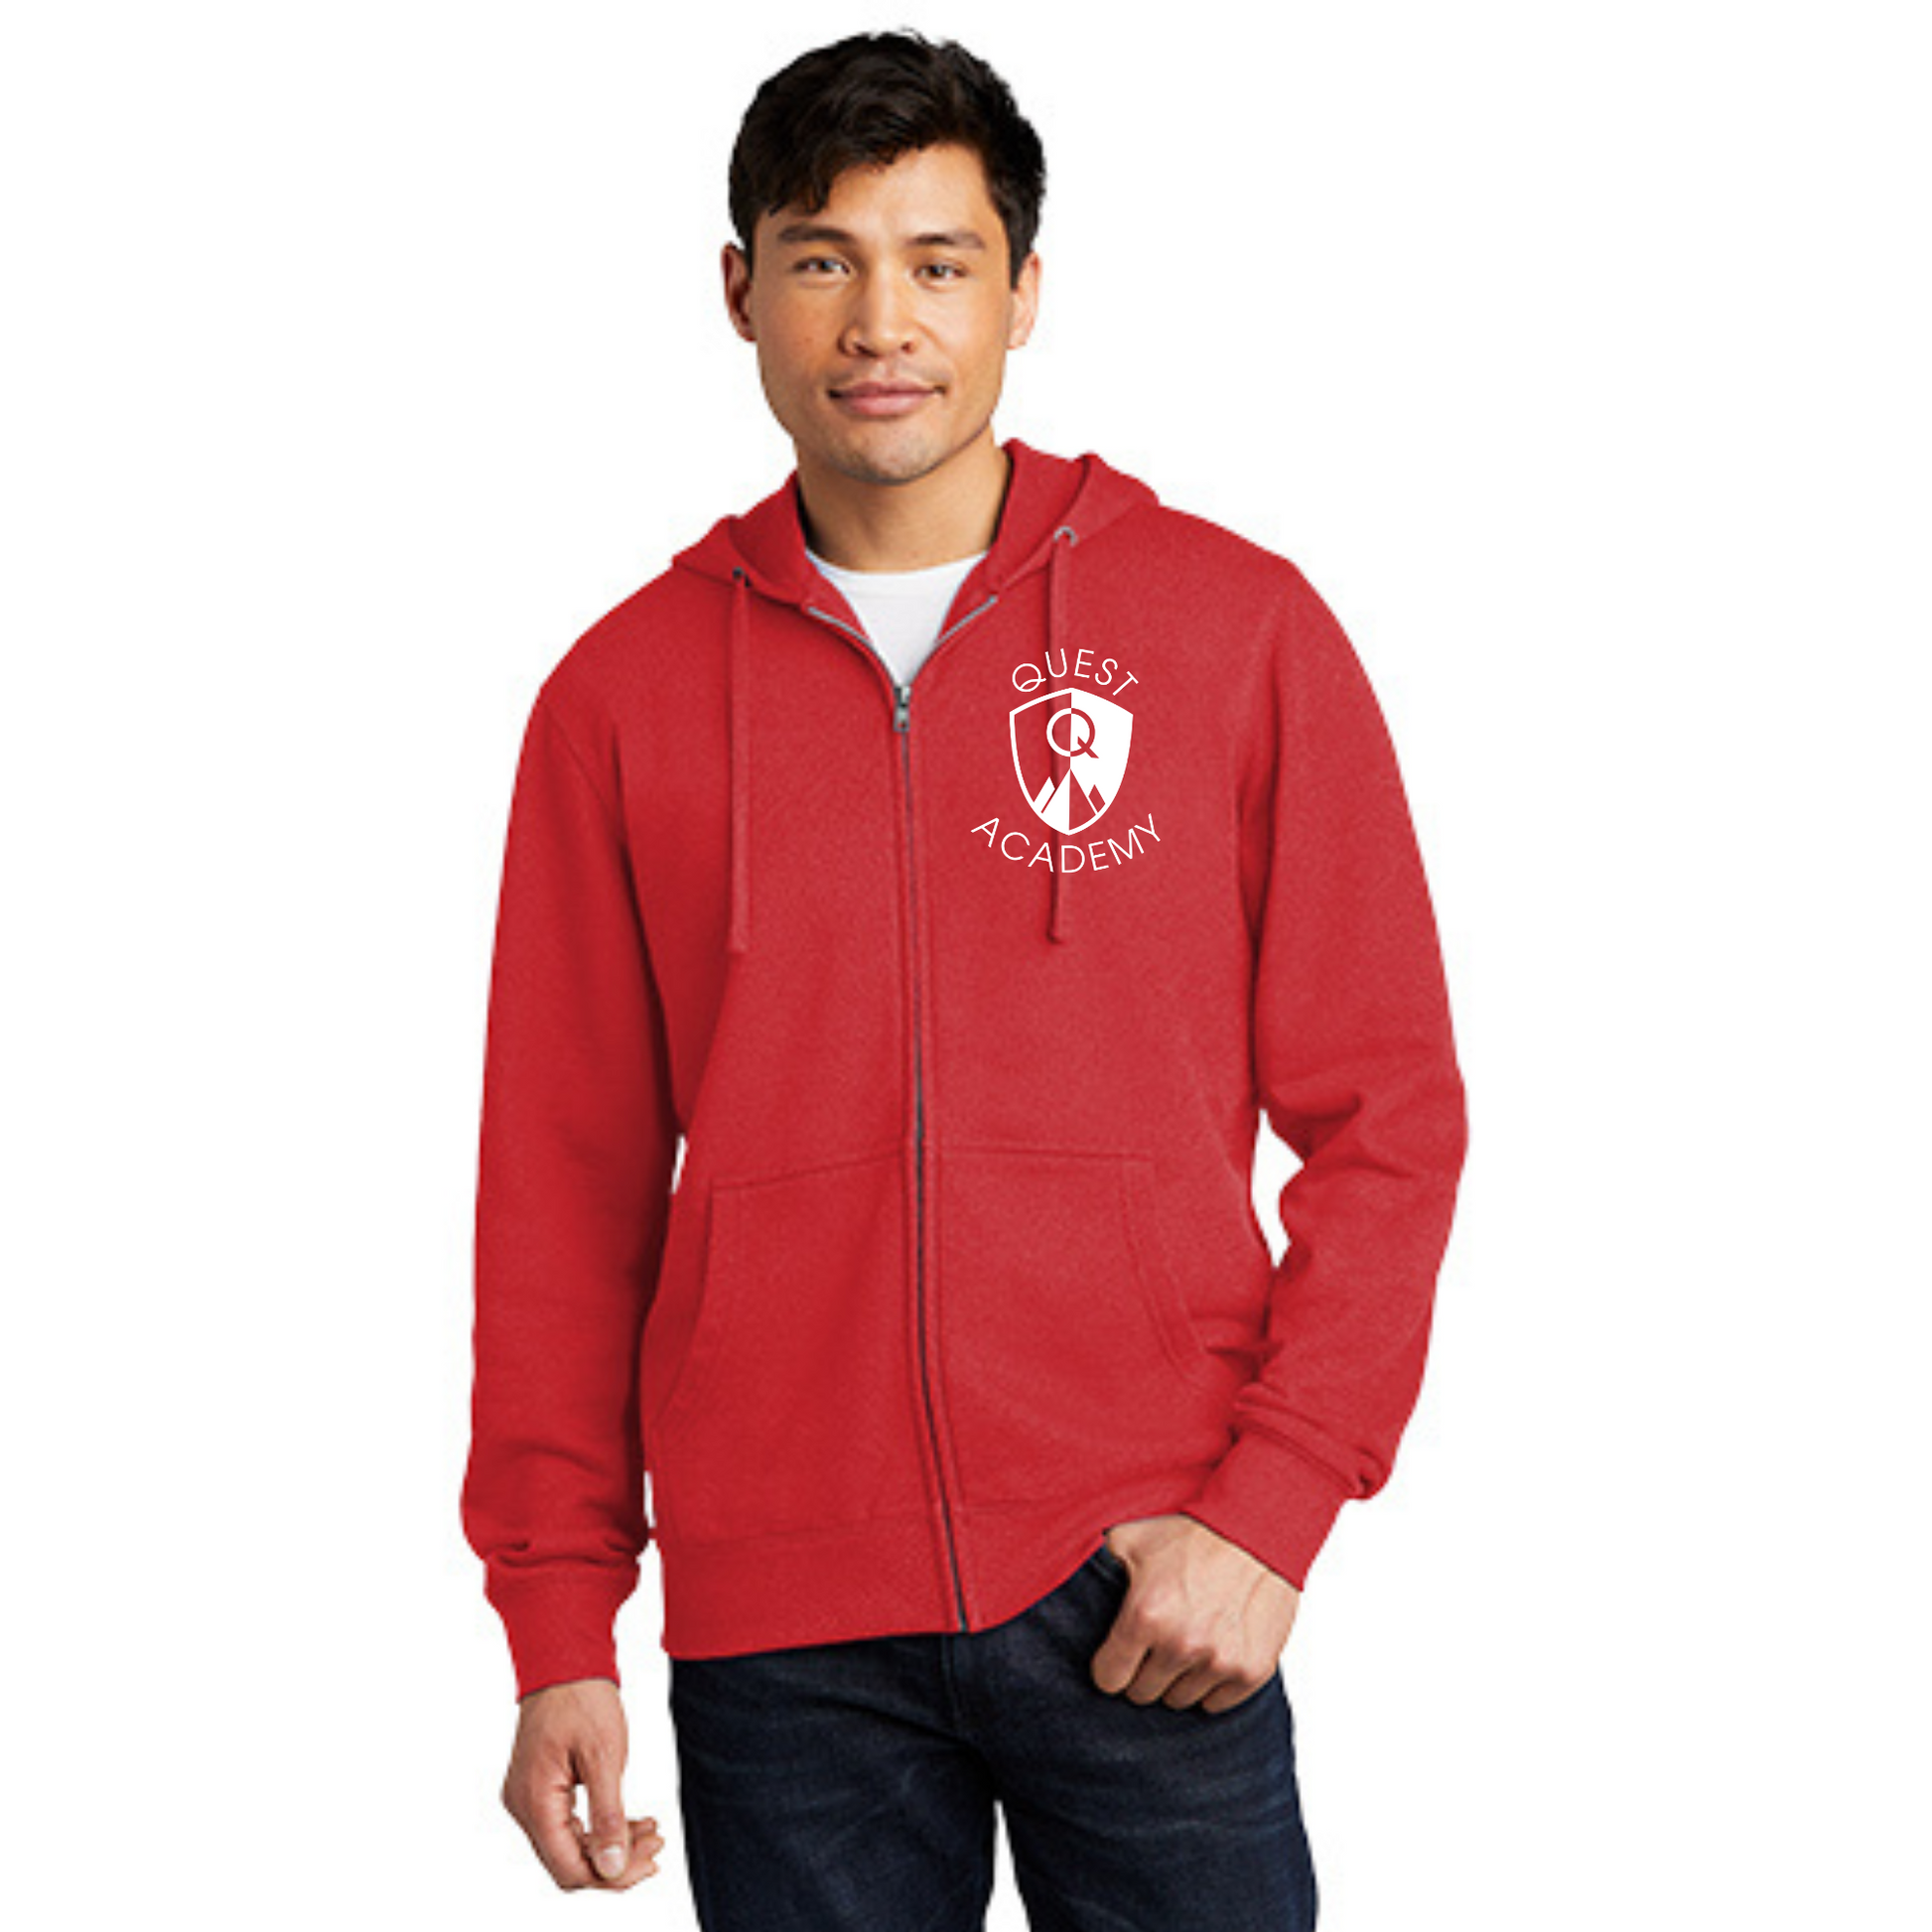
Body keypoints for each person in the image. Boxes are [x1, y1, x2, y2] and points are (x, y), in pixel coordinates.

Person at [461, 28, 1467, 1930]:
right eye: (822, 259)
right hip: (782, 1634)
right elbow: (560, 1192)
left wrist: (1268, 1512)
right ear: (739, 290)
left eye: (938, 261)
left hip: (1147, 1583)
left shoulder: (1231, 629)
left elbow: (1388, 1112)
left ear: (1022, 289)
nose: (881, 322)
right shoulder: (618, 698)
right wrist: (555, 1618)